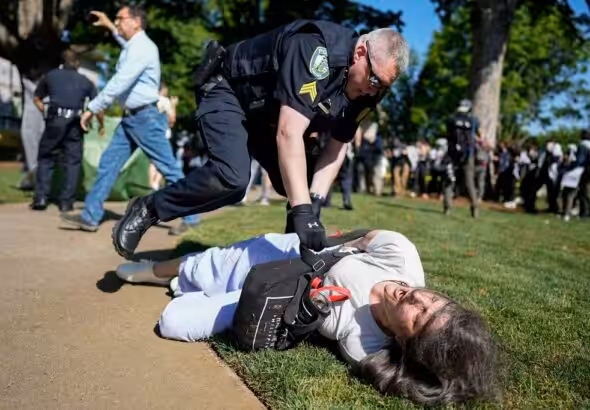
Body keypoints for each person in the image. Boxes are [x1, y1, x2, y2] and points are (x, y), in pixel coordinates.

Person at [110, 21, 410, 259]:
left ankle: (290, 257)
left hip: (268, 115)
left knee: (304, 189)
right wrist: (302, 209)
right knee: (233, 179)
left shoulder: (368, 89)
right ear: (360, 54)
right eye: (375, 81)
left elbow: (337, 145)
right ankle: (148, 208)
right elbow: (289, 132)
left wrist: (313, 204)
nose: (374, 92)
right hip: (229, 91)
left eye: (383, 87)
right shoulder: (316, 48)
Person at [115, 229, 499, 405]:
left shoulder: (365, 344)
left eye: (419, 317)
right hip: (282, 258)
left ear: (404, 341)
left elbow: (399, 378)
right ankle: (155, 270)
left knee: (174, 323)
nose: (417, 296)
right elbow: (358, 237)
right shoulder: (402, 257)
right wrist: (323, 246)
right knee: (204, 267)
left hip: (270, 298)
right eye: (433, 300)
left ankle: (185, 288)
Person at [60, 6, 199, 235]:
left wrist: (93, 108)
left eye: (120, 18)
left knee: (169, 169)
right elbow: (127, 47)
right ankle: (90, 216)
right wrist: (109, 26)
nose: (117, 22)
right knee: (108, 164)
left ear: (136, 22)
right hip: (131, 119)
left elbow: (119, 81)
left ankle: (192, 218)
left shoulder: (143, 48)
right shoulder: (136, 46)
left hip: (145, 118)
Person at [30, 50, 100, 212]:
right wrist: (99, 125)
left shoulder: (50, 76)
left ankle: (41, 198)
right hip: (75, 124)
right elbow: (97, 106)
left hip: (54, 121)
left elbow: (37, 99)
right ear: (77, 64)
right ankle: (66, 202)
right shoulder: (86, 81)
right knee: (72, 162)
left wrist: (45, 114)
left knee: (46, 158)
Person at [443, 99, 480, 217]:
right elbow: (477, 133)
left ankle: (447, 208)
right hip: (468, 155)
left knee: (449, 180)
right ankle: (475, 208)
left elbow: (448, 134)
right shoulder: (474, 120)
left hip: (452, 154)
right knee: (469, 182)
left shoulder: (451, 119)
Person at [18, 75, 46, 191]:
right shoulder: (29, 82)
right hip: (33, 116)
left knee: (36, 147)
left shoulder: (31, 83)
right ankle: (34, 178)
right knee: (32, 147)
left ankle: (36, 179)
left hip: (36, 117)